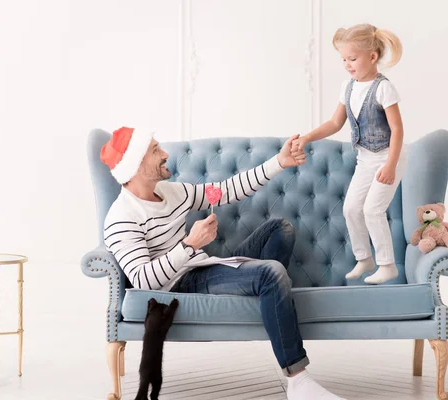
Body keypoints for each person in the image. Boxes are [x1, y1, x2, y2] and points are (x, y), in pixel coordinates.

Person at [101, 126, 345, 399]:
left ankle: (265, 295)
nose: (165, 154)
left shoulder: (170, 192)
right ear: (135, 165)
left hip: (201, 266)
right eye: (155, 150)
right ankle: (299, 380)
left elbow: (226, 190)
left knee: (281, 229)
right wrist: (189, 245)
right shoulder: (121, 217)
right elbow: (143, 281)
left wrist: (279, 161)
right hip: (180, 285)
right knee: (272, 272)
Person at [294, 23, 407, 284]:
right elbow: (335, 123)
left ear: (372, 57)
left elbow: (397, 129)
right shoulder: (348, 86)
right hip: (365, 159)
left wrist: (390, 165)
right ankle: (364, 259)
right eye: (343, 59)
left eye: (352, 58)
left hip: (390, 156)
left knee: (372, 210)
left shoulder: (383, 88)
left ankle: (387, 264)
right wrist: (307, 137)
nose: (347, 64)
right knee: (351, 209)